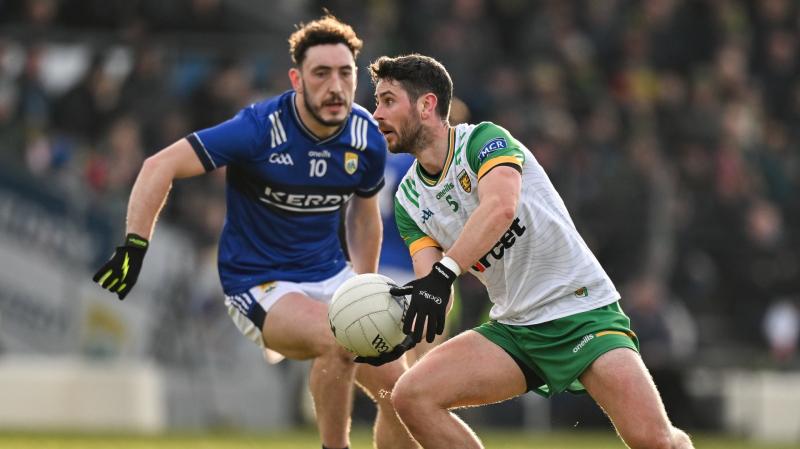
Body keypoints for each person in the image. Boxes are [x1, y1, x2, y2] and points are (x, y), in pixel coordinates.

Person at [92, 15, 417, 449]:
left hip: (330, 276)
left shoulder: (366, 135)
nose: (335, 86)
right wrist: (135, 245)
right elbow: (159, 165)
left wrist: (364, 283)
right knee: (337, 341)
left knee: (402, 392)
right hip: (259, 282)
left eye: (345, 73)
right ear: (296, 79)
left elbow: (363, 216)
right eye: (321, 73)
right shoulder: (260, 127)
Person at [362, 53, 695, 449]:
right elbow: (432, 286)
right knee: (410, 395)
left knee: (656, 442)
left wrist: (444, 273)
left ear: (426, 105)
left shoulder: (483, 140)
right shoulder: (408, 199)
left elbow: (500, 208)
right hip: (516, 329)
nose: (376, 113)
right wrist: (399, 324)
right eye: (377, 102)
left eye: (388, 101)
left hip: (580, 311)